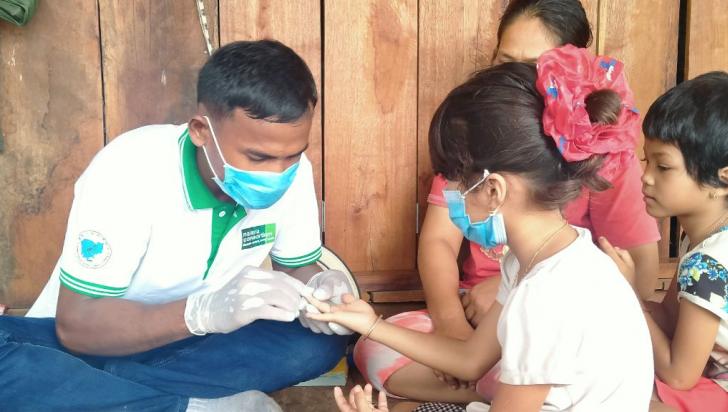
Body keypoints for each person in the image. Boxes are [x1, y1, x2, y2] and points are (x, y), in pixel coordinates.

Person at [0, 39, 357, 411]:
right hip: (89, 340)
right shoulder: (128, 168)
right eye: (257, 157)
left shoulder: (295, 175)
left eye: (293, 155)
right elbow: (77, 327)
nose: (278, 173)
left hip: (198, 343)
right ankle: (186, 406)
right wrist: (200, 312)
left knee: (318, 341)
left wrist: (321, 290)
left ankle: (104, 397)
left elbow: (297, 265)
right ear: (202, 131)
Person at [355, 0, 660, 401]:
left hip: (529, 357)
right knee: (381, 350)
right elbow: (468, 358)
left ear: (494, 190)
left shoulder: (542, 296)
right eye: (506, 60)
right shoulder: (534, 259)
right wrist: (370, 324)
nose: (451, 192)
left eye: (459, 183)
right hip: (497, 343)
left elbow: (638, 270)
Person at [601, 71, 728, 412]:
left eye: (664, 166)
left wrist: (631, 295)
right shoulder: (701, 241)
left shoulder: (710, 263)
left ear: (722, 178)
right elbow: (670, 319)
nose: (646, 177)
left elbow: (678, 375)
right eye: (647, 161)